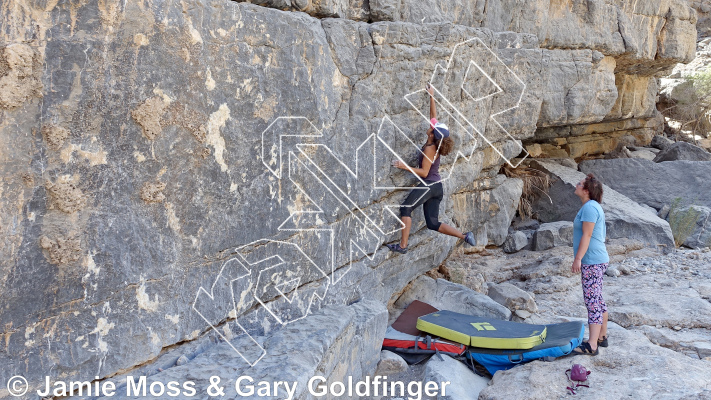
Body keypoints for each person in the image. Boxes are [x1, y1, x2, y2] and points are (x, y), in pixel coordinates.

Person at [385, 83, 477, 254]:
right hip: (437, 187)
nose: (432, 123)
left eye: (433, 126)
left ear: (432, 133)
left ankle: (403, 246)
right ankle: (465, 236)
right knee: (433, 223)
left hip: (429, 184)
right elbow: (433, 116)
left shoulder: (430, 149)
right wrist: (431, 95)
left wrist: (403, 166)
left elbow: (424, 173)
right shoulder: (435, 141)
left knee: (406, 208)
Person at [570, 173, 610, 356]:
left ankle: (592, 345)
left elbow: (586, 235)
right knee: (598, 299)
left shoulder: (589, 208)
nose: (576, 185)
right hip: (597, 259)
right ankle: (602, 336)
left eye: (579, 184)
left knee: (592, 301)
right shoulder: (591, 206)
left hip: (592, 261)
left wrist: (578, 258)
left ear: (586, 191)